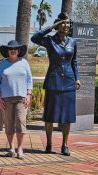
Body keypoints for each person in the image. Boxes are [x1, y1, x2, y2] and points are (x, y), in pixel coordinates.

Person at [31, 13, 81, 156]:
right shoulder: (49, 41)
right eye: (63, 23)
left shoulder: (73, 42)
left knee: (67, 116)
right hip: (53, 81)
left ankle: (65, 145)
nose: (66, 26)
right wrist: (51, 27)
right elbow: (34, 38)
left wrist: (77, 78)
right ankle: (49, 144)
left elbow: (74, 62)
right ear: (57, 25)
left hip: (69, 82)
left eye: (68, 23)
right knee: (50, 115)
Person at [0, 40, 33, 159]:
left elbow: (29, 80)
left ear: (19, 50)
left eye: (15, 48)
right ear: (7, 50)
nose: (13, 50)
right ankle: (11, 148)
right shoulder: (2, 64)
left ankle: (20, 149)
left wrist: (28, 94)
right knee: (9, 124)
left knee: (21, 122)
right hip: (6, 99)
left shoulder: (24, 63)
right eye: (11, 48)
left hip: (21, 98)